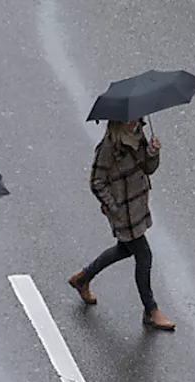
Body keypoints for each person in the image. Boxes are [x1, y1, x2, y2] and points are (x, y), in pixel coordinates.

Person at [68, 118, 175, 330]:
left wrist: (153, 153)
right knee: (144, 255)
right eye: (129, 118)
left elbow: (148, 168)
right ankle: (151, 310)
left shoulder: (138, 135)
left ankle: (83, 278)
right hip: (124, 212)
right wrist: (113, 206)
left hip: (138, 206)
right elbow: (96, 181)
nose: (134, 120)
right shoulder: (109, 145)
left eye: (136, 117)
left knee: (124, 249)